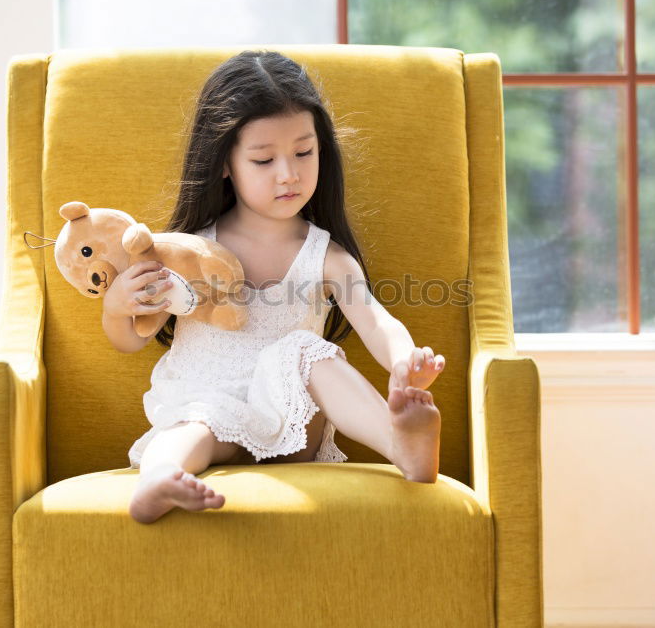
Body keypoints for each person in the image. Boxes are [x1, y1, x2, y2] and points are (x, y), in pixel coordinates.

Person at [101, 50, 445, 525]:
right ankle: (162, 476)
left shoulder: (326, 255)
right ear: (225, 164)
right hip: (209, 409)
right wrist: (119, 305)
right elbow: (131, 338)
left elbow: (375, 319)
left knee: (308, 352)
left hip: (291, 426)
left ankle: (400, 442)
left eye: (304, 152)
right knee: (193, 426)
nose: (289, 173)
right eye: (264, 159)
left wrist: (406, 363)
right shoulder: (188, 252)